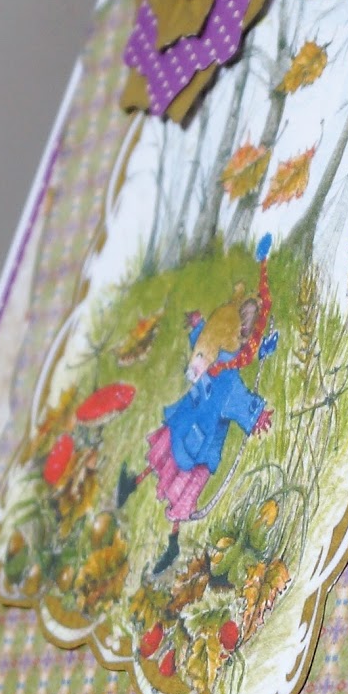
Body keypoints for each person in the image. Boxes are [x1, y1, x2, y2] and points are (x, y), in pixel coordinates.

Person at [119, 235, 277, 570]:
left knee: (181, 486)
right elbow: (206, 341)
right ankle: (132, 483)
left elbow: (241, 402)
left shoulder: (231, 380)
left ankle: (172, 544)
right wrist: (197, 326)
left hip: (200, 443)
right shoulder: (217, 350)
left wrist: (256, 414)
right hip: (185, 419)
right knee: (163, 456)